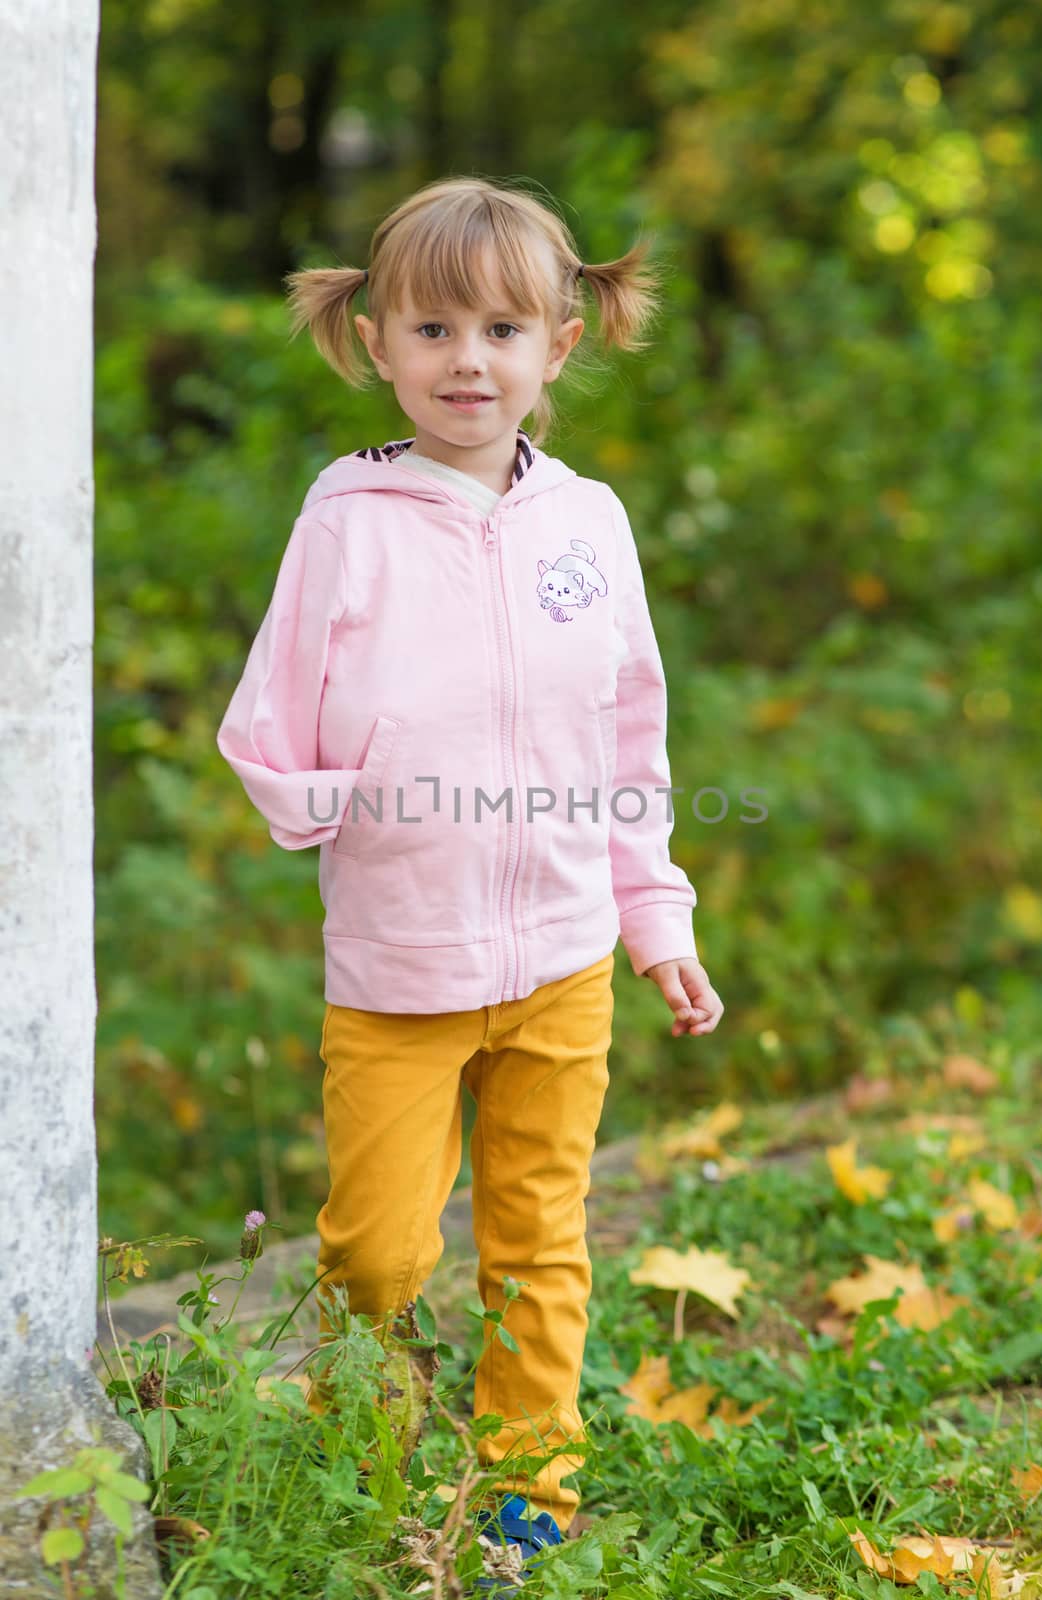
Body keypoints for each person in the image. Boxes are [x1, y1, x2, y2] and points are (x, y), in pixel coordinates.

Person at [216, 175, 724, 1587]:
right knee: (379, 1259)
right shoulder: (347, 522)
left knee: (538, 1240)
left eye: (502, 329)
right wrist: (328, 801)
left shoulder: (591, 526)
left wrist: (652, 913)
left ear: (559, 344)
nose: (467, 361)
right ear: (376, 341)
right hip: (402, 965)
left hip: (564, 956)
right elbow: (266, 723)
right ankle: (351, 1464)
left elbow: (631, 735)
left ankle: (525, 1498)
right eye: (434, 329)